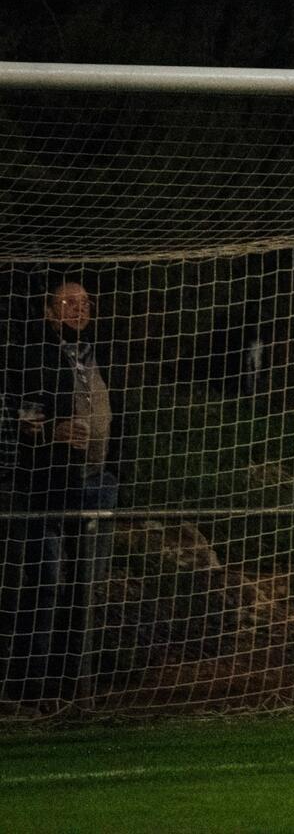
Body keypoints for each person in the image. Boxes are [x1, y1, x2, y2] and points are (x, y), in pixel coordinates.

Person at [2, 279, 120, 701]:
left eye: (84, 302)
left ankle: (76, 683)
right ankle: (30, 686)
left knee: (88, 584)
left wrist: (117, 468)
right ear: (49, 311)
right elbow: (20, 416)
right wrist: (52, 430)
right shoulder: (33, 355)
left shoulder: (103, 354)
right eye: (68, 302)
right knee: (46, 581)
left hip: (97, 481)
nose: (78, 309)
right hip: (47, 484)